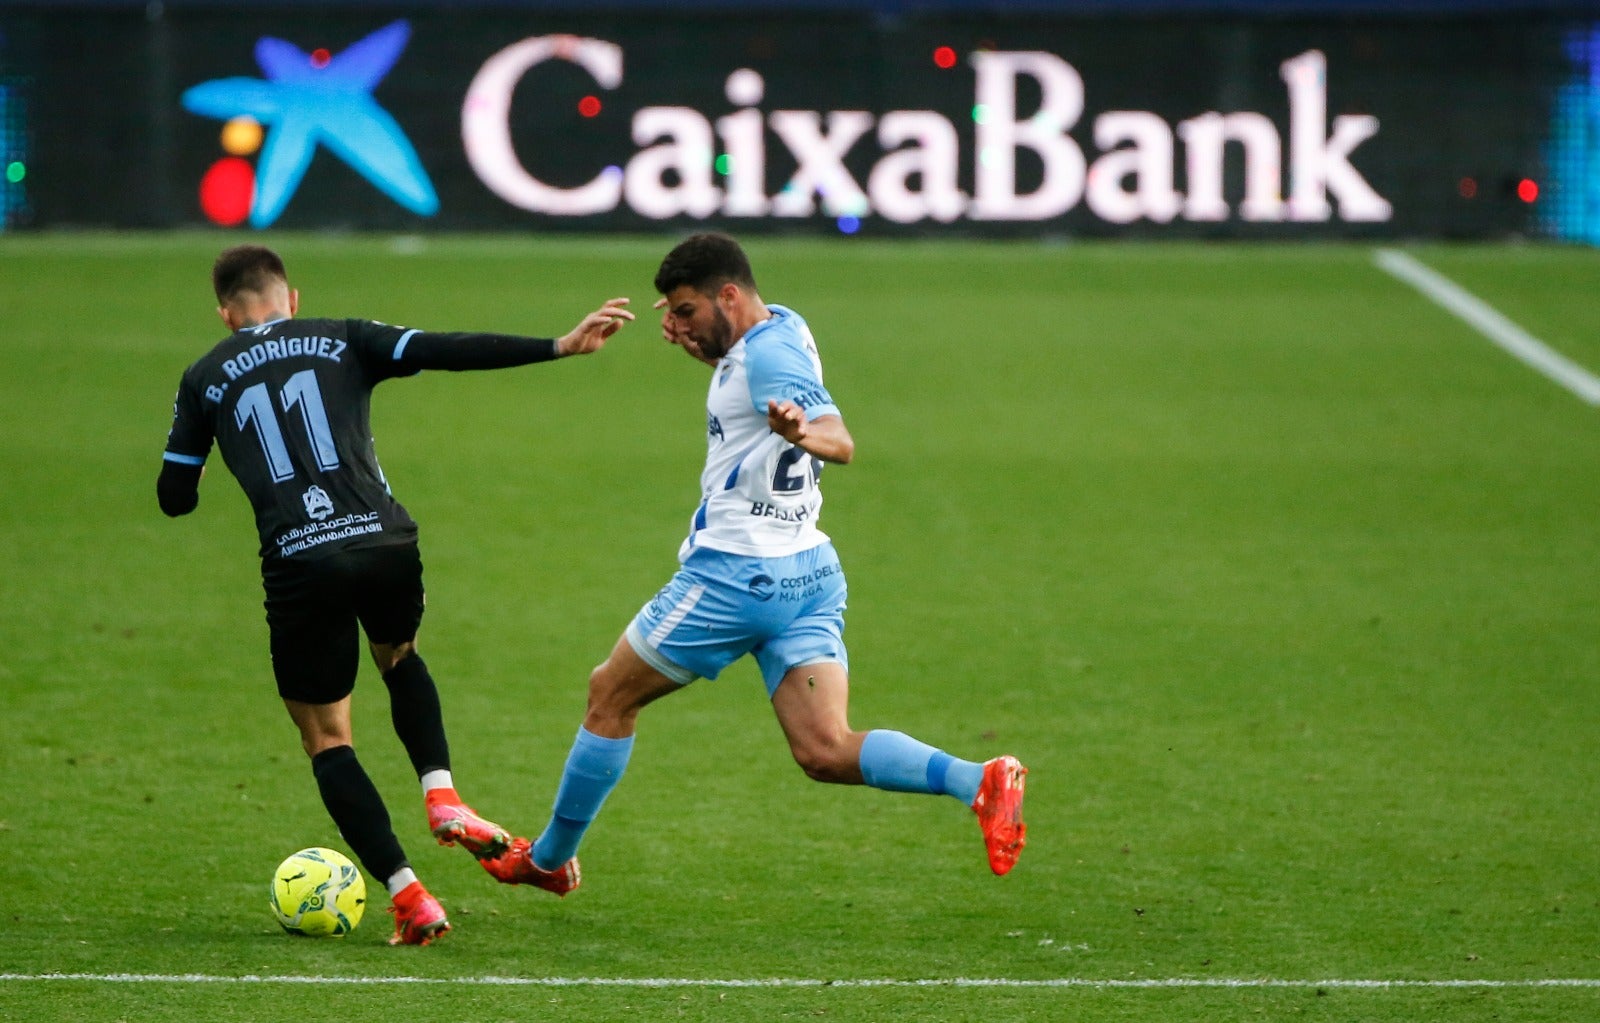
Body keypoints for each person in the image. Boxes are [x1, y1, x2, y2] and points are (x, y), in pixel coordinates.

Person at [480, 232, 1026, 896]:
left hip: (734, 578)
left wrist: (805, 434)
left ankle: (548, 859)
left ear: (728, 296)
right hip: (809, 572)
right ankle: (980, 779)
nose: (672, 328)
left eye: (684, 311)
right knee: (825, 749)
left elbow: (840, 440)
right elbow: (755, 387)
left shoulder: (765, 357)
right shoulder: (783, 327)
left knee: (609, 695)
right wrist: (710, 350)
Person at [157, 244, 633, 945]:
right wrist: (559, 344)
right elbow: (444, 347)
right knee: (400, 654)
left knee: (326, 736)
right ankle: (441, 792)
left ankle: (411, 896)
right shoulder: (342, 335)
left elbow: (174, 498)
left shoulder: (204, 375)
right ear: (290, 297)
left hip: (299, 557)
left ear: (227, 313)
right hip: (384, 540)